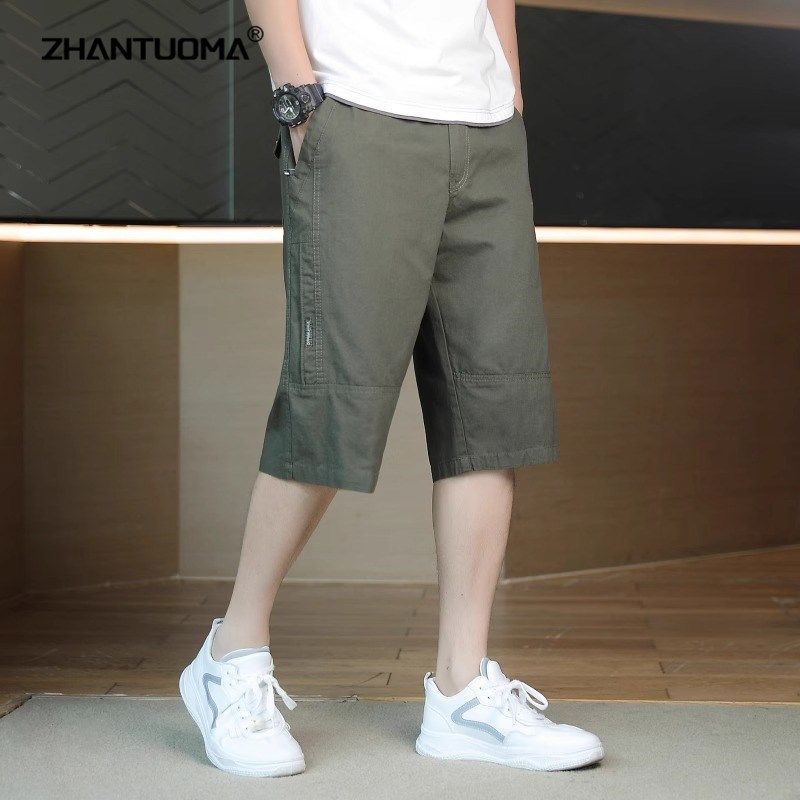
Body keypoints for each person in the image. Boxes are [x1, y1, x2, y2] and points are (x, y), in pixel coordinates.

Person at [179, 0, 603, 777]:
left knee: (491, 407)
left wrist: (508, 85)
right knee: (335, 398)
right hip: (358, 113)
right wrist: (297, 95)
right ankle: (229, 655)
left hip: (485, 127)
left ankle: (462, 692)